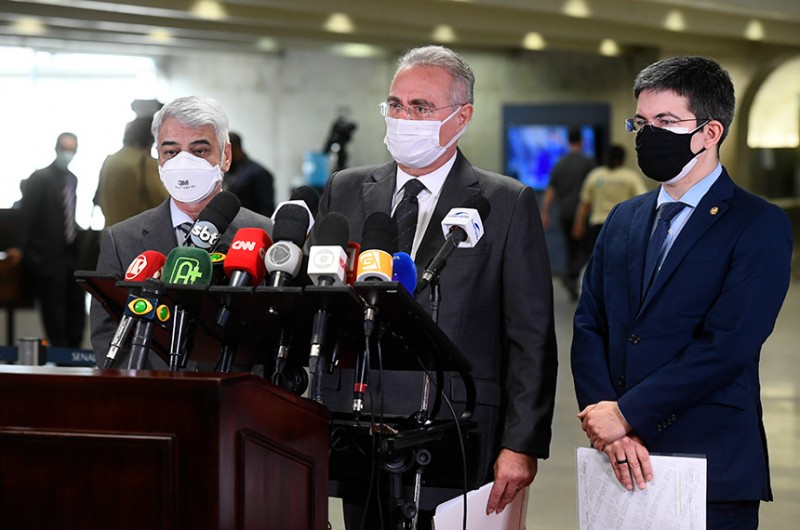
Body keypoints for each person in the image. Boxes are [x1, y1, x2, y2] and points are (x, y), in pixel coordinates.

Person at [317, 45, 558, 529]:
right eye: (395, 105)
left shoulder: (505, 202)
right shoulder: (345, 188)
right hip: (359, 426)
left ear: (461, 117)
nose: (403, 118)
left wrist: (522, 444)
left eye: (421, 107)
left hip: (457, 429)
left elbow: (530, 335)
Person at [571, 56, 792, 529]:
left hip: (710, 461)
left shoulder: (758, 224)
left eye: (666, 121)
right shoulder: (624, 218)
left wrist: (628, 414)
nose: (648, 135)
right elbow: (590, 323)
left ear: (710, 132)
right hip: (617, 460)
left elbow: (729, 344)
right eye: (641, 123)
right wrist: (608, 425)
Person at [89, 96, 273, 369]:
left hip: (237, 392)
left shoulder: (265, 234)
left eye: (199, 150)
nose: (184, 163)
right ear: (159, 158)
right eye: (171, 152)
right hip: (153, 391)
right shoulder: (121, 240)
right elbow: (107, 332)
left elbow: (277, 334)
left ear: (225, 156)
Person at [18, 132, 86, 348]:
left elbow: (69, 214)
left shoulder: (72, 179)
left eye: (72, 149)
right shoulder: (40, 178)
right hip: (46, 256)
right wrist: (22, 250)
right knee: (53, 311)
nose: (68, 153)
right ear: (56, 148)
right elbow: (26, 216)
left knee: (75, 307)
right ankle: (60, 354)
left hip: (70, 255)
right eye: (65, 148)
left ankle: (74, 353)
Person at [540, 126, 596, 301]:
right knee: (586, 250)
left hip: (564, 213)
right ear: (582, 141)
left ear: (568, 141)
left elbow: (550, 191)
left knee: (571, 248)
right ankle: (571, 275)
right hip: (584, 214)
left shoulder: (560, 163)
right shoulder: (588, 163)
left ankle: (571, 280)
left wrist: (545, 213)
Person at [94, 116, 169, 226]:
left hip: (110, 232)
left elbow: (99, 200)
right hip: (137, 234)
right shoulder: (145, 164)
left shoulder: (109, 161)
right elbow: (165, 203)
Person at [571, 144, 646, 249]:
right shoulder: (631, 177)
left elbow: (585, 203)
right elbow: (643, 201)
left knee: (598, 256)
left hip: (598, 224)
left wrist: (578, 224)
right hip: (622, 225)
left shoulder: (595, 175)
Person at [223, 131, 276, 217]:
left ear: (235, 149)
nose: (223, 156)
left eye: (225, 152)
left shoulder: (259, 173)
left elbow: (266, 210)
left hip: (251, 223)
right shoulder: (228, 171)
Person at [322, 105, 358, 172]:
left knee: (342, 160)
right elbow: (331, 137)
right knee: (337, 160)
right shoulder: (336, 125)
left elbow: (352, 127)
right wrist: (325, 150)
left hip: (341, 149)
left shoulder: (348, 125)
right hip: (336, 147)